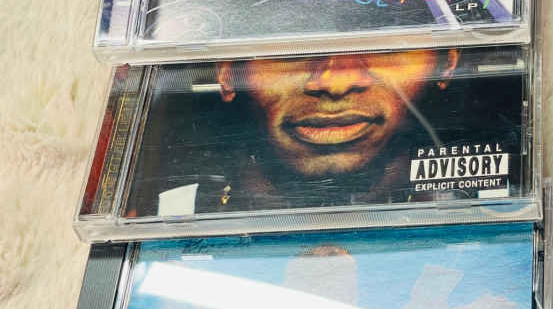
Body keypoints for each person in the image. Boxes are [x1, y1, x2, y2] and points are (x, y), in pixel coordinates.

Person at [126, 48, 466, 217]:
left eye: (382, 45)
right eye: (294, 50)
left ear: (447, 63)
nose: (335, 82)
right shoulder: (163, 213)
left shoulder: (485, 206)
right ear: (227, 73)